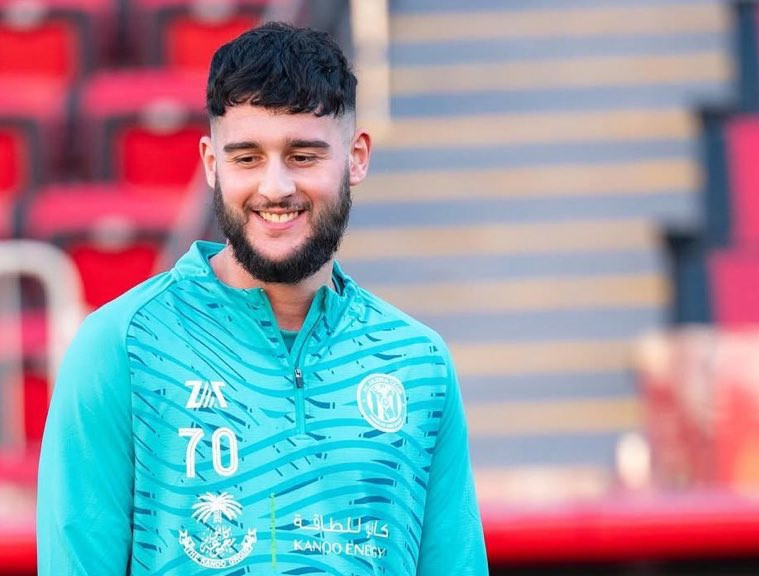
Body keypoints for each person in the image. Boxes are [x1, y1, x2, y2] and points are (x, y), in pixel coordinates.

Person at [37, 22, 488, 575]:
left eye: (303, 156)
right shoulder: (123, 347)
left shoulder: (418, 363)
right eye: (247, 157)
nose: (275, 188)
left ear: (356, 157)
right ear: (211, 163)